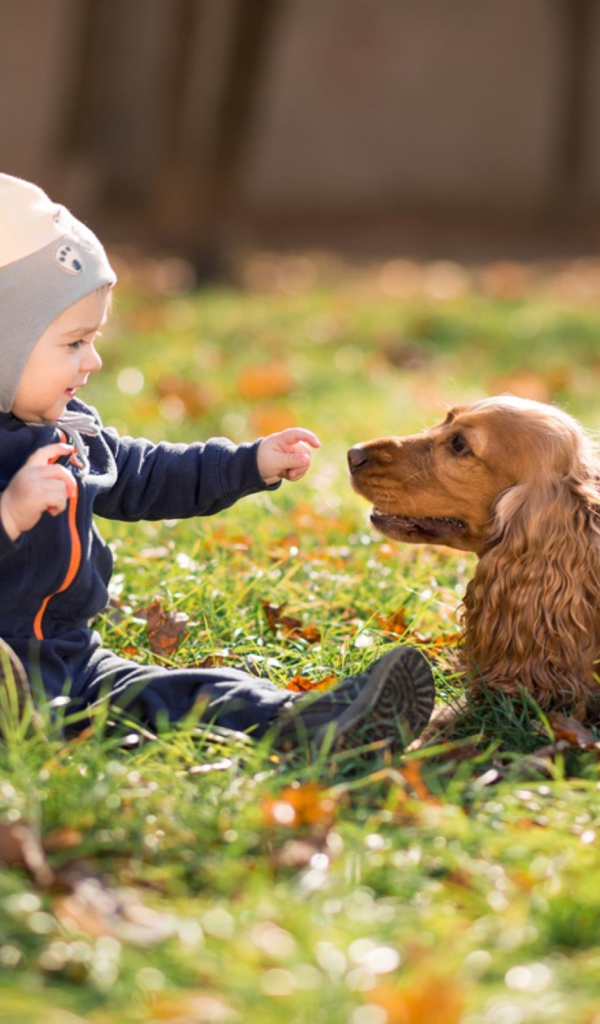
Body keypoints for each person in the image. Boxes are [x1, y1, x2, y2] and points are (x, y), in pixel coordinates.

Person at [0, 173, 435, 754]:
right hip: (8, 669)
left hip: (69, 657)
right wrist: (8, 513)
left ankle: (303, 722)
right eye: (74, 343)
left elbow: (143, 474)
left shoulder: (67, 428)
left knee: (179, 696)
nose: (95, 360)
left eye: (94, 339)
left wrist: (248, 463)